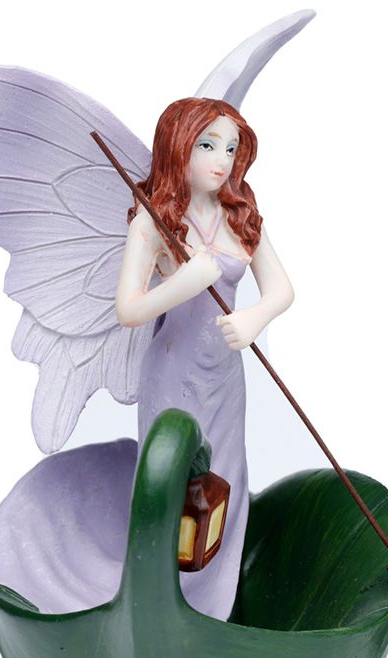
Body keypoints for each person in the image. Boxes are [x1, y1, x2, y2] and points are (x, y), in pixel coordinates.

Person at [115, 98, 294, 620]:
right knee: (173, 485)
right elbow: (128, 310)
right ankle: (160, 604)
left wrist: (255, 318)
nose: (222, 160)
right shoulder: (153, 223)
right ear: (179, 146)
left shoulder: (240, 217)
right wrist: (183, 283)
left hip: (225, 378)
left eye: (231, 149)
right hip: (173, 375)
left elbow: (282, 289)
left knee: (225, 482)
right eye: (208, 145)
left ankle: (218, 605)